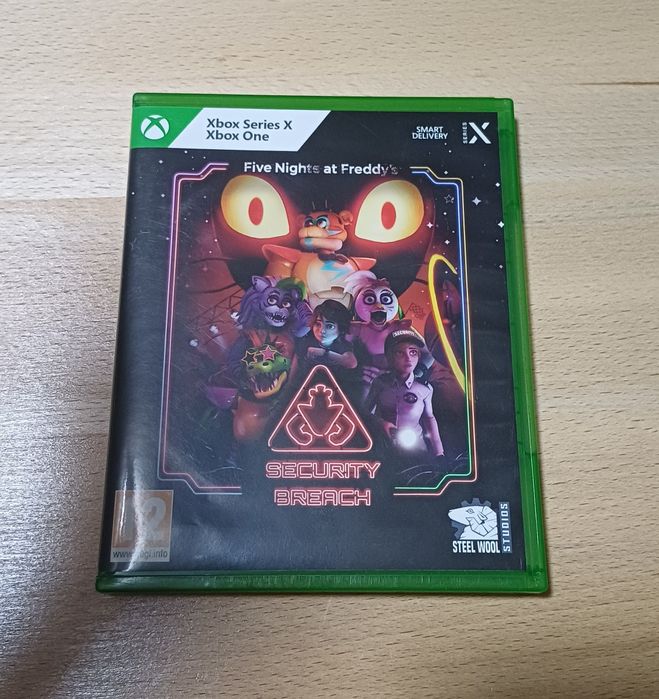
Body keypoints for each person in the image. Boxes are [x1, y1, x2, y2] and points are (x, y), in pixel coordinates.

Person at [365, 329, 444, 457]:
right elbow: (365, 413)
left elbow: (429, 419)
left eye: (413, 352)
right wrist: (381, 424)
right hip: (384, 446)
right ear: (389, 356)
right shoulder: (380, 383)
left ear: (419, 355)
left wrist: (439, 452)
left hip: (415, 448)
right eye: (400, 353)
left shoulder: (424, 388)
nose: (408, 358)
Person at [299, 300, 357, 371]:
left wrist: (324, 353)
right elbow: (294, 369)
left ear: (341, 329)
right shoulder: (305, 341)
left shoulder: (342, 344)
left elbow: (351, 363)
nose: (322, 330)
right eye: (318, 324)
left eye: (330, 326)